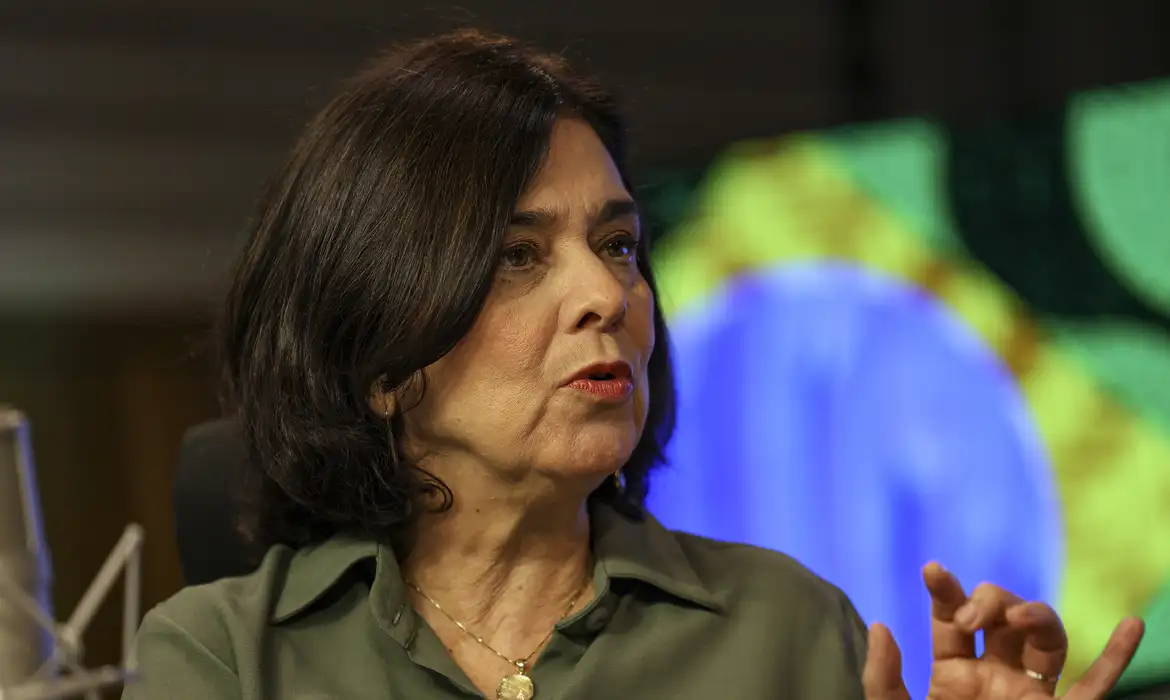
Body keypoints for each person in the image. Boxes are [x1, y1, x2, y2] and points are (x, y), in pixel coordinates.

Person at [125, 29, 1144, 700]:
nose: (608, 295)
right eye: (518, 256)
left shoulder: (786, 632)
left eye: (617, 245)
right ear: (379, 356)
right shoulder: (225, 659)